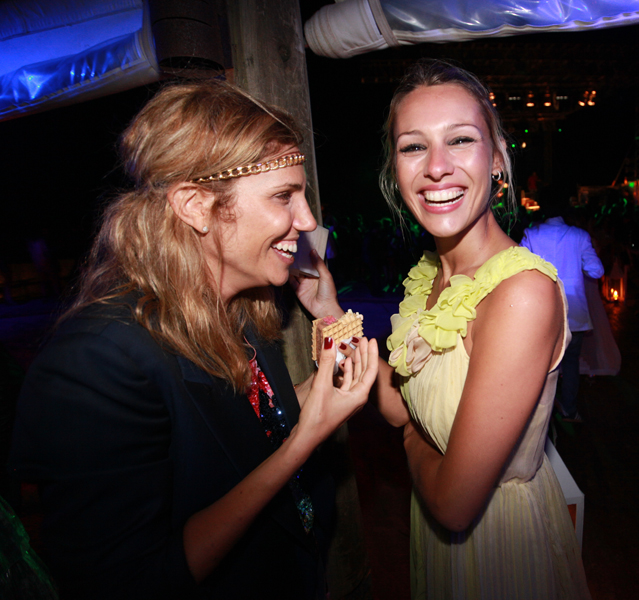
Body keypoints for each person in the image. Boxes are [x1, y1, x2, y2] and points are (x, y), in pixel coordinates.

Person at [9, 80, 378, 600]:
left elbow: (241, 426)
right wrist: (305, 440)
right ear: (194, 205)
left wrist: (322, 360)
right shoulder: (95, 360)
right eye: (283, 196)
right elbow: (133, 582)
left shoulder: (238, 307)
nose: (308, 220)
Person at [376, 59, 591, 599]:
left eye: (460, 140)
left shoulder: (519, 293)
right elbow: (399, 405)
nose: (436, 167)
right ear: (395, 167)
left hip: (501, 550)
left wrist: (410, 438)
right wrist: (329, 309)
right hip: (436, 540)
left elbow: (453, 503)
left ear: (496, 159)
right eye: (413, 146)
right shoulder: (430, 275)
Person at [521, 190, 605, 423]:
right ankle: (568, 409)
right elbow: (597, 271)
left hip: (542, 312)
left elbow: (520, 268)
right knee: (570, 364)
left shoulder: (531, 234)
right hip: (574, 313)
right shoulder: (579, 235)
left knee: (541, 366)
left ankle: (539, 416)